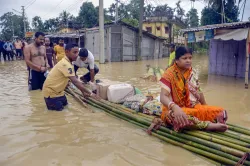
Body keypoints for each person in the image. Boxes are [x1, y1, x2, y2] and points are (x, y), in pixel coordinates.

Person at [160, 46, 228, 132]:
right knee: (182, 117)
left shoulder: (192, 73)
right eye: (184, 58)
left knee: (221, 112)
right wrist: (175, 107)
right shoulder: (169, 74)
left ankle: (209, 122)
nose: (188, 60)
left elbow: (198, 91)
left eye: (190, 58)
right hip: (173, 110)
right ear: (177, 60)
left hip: (192, 107)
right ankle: (207, 126)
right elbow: (163, 97)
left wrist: (205, 107)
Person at [42, 43, 98, 111]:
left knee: (66, 108)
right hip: (51, 94)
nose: (77, 55)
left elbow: (72, 80)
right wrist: (90, 93)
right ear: (67, 52)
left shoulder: (69, 63)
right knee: (58, 116)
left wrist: (83, 92)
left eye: (77, 52)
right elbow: (75, 81)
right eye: (74, 52)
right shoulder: (65, 64)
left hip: (60, 92)